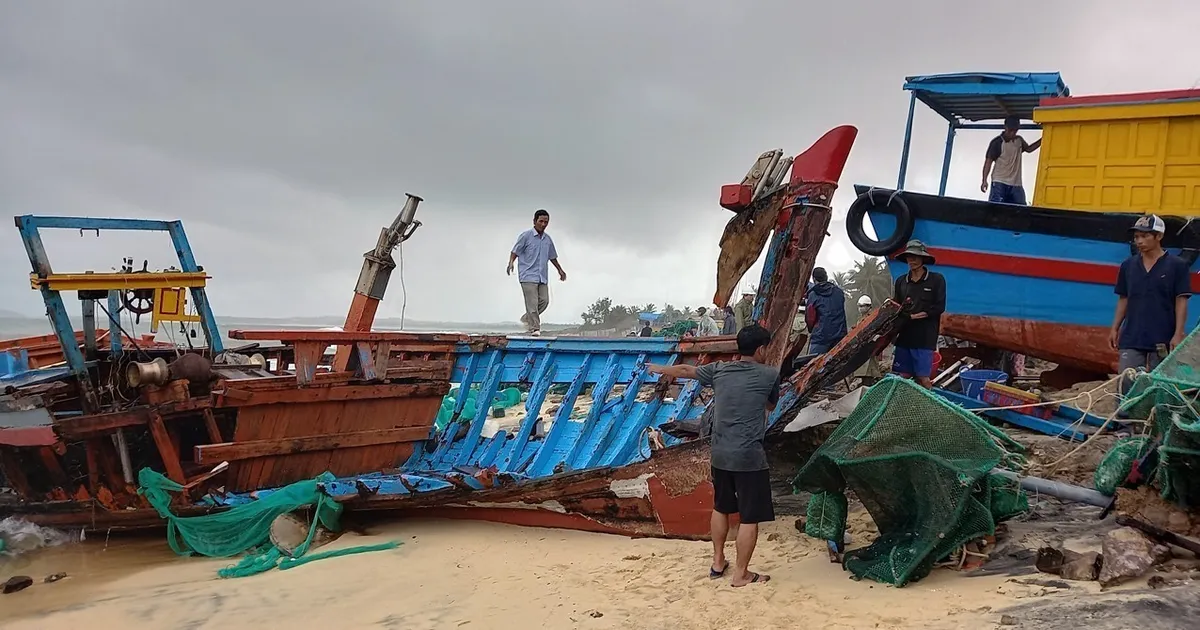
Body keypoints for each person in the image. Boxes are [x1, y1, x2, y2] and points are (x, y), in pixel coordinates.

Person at [646, 324, 779, 587]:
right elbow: (770, 405)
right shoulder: (769, 375)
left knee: (721, 507)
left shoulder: (720, 371)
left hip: (720, 454)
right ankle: (741, 574)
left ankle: (718, 562)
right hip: (749, 457)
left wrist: (661, 369)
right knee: (749, 517)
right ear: (761, 349)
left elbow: (686, 370)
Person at [1110, 214, 1191, 391]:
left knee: (1160, 384)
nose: (1139, 241)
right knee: (1126, 381)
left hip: (1163, 336)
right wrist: (1115, 328)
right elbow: (1124, 297)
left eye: (1145, 236)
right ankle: (1123, 418)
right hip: (1132, 334)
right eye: (1137, 237)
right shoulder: (1128, 266)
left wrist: (1178, 333)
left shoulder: (1177, 266)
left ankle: (1153, 417)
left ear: (1159, 236)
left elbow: (1181, 300)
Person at [892, 240, 946, 389]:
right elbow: (896, 308)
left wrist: (915, 316)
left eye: (915, 256)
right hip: (904, 337)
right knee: (901, 377)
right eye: (909, 257)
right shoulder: (901, 281)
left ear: (923, 259)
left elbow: (939, 307)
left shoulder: (936, 280)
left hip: (925, 337)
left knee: (923, 378)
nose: (912, 260)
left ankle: (929, 409)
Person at [507, 209, 566, 336]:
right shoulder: (525, 236)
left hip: (542, 276)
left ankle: (527, 318)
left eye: (546, 222)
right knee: (532, 303)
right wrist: (511, 263)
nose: (543, 224)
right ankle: (534, 328)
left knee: (544, 301)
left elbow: (552, 257)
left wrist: (560, 270)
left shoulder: (547, 239)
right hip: (527, 275)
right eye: (541, 221)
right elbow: (515, 251)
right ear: (534, 221)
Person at [981, 116, 1041, 205]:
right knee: (996, 209)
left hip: (1016, 183)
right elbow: (988, 162)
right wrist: (984, 180)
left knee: (1020, 210)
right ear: (1005, 127)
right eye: (1010, 130)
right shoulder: (997, 142)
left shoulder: (1019, 141)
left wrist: (1043, 139)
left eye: (1015, 131)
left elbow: (1029, 149)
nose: (1012, 133)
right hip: (999, 182)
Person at [804, 267, 848, 354]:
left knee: (813, 364)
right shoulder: (839, 292)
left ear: (814, 279)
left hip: (820, 339)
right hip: (839, 337)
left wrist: (811, 329)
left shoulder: (813, 295)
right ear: (826, 277)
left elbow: (810, 318)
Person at [852, 295, 887, 387]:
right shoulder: (860, 319)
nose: (861, 308)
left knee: (869, 374)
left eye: (863, 306)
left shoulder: (873, 317)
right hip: (862, 349)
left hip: (870, 348)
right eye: (859, 306)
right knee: (863, 373)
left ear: (869, 307)